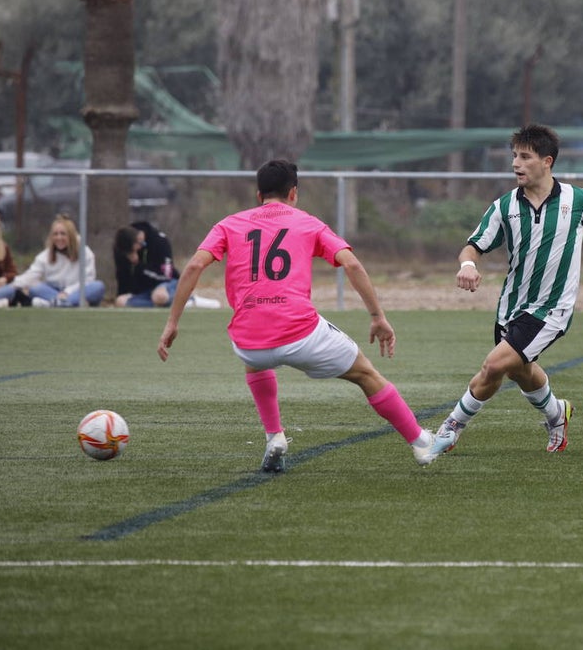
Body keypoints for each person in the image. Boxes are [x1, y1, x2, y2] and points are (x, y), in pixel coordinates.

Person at [156, 159, 439, 470]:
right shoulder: (308, 222)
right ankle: (421, 442)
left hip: (248, 341)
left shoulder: (229, 224)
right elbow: (353, 264)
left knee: (255, 360)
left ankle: (274, 435)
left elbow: (195, 265)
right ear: (293, 193)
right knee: (366, 374)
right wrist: (377, 316)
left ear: (258, 194)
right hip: (301, 334)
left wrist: (172, 322)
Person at [426, 123, 583, 458]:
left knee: (492, 367)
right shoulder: (504, 207)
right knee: (519, 371)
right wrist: (468, 265)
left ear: (547, 161)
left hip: (552, 309)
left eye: (525, 156)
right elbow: (472, 247)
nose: (516, 163)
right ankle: (556, 414)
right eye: (514, 156)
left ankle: (450, 427)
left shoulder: (581, 200)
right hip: (511, 308)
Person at [114, 221, 218, 309]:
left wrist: (138, 265)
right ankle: (175, 304)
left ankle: (188, 299)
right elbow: (122, 274)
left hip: (166, 282)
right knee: (120, 301)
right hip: (144, 290)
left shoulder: (160, 240)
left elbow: (166, 275)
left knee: (159, 296)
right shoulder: (124, 249)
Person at [13, 214, 105, 307]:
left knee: (98, 286)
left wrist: (67, 292)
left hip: (76, 291)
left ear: (71, 236)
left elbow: (87, 280)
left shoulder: (85, 252)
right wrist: (13, 284)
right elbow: (31, 275)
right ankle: (67, 304)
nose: (59, 238)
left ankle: (53, 303)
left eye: (63, 234)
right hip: (53, 290)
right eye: (55, 234)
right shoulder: (45, 255)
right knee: (35, 288)